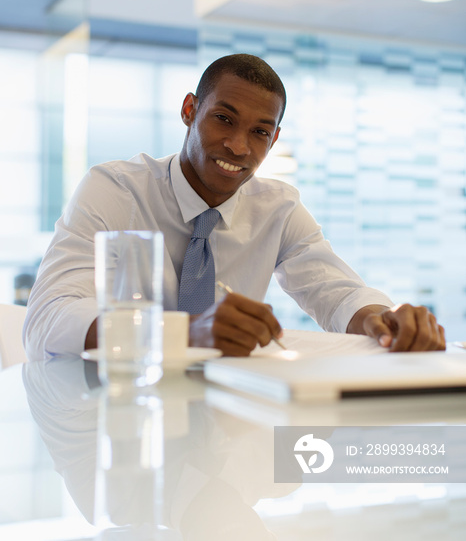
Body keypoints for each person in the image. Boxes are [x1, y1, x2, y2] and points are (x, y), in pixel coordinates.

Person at [24, 54, 445, 360]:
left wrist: (383, 320)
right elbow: (48, 318)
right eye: (223, 118)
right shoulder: (114, 191)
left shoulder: (277, 209)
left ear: (274, 140)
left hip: (225, 424)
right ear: (190, 110)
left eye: (259, 131)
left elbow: (337, 292)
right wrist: (184, 334)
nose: (239, 146)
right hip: (112, 413)